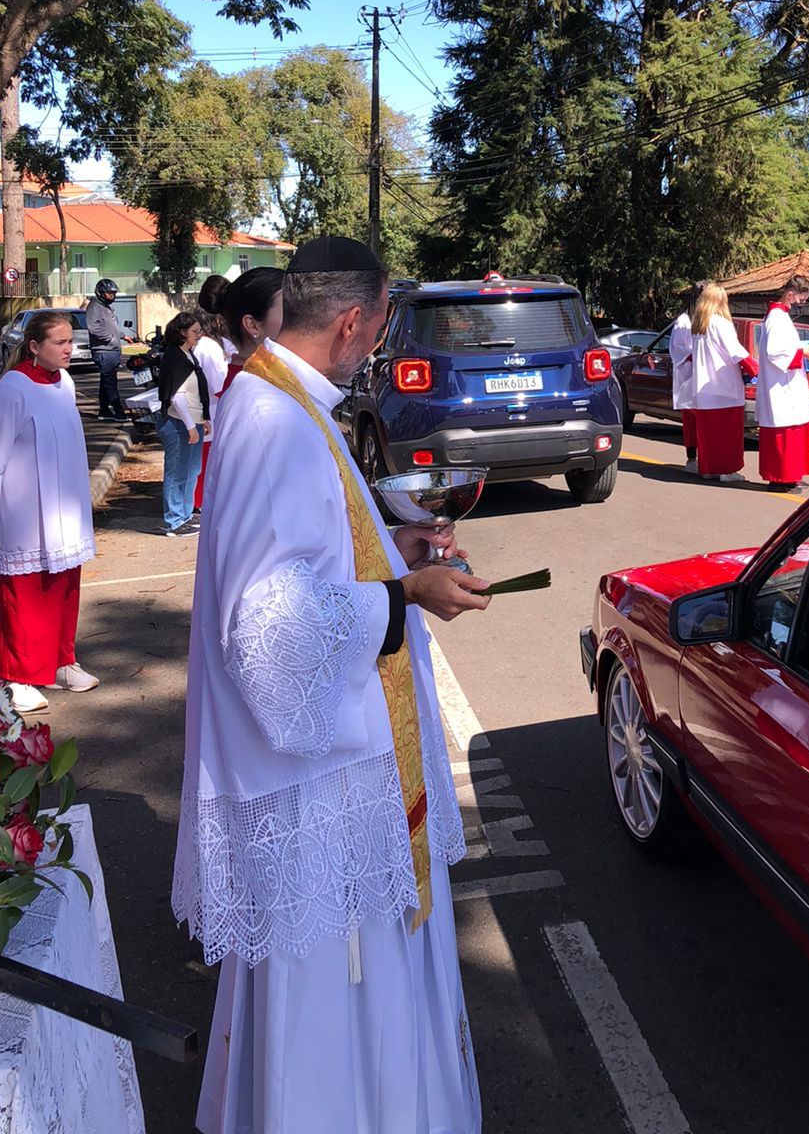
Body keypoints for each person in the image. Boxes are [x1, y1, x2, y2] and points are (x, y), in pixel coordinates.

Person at [172, 235, 491, 1134]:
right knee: (336, 997)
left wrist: (399, 553)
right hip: (324, 788)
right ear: (352, 321)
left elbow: (318, 554)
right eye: (383, 323)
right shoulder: (276, 421)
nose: (380, 341)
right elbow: (268, 629)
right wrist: (406, 599)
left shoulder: (284, 399)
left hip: (340, 769)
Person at [0, 310, 98, 715]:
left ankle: (60, 661)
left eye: (70, 341)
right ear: (35, 347)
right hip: (26, 509)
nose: (69, 349)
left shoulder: (66, 382)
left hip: (65, 506)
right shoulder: (13, 388)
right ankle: (18, 675)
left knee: (63, 586)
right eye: (59, 342)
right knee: (25, 594)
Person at [755, 274, 809, 492]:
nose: (801, 304)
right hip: (780, 388)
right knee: (784, 434)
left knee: (796, 432)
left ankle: (792, 474)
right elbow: (774, 352)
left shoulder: (780, 317)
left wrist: (802, 350)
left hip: (789, 386)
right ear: (790, 294)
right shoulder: (776, 317)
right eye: (801, 300)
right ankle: (780, 479)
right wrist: (802, 351)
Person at [689, 282, 757, 484]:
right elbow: (736, 352)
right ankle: (727, 470)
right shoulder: (721, 323)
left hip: (703, 389)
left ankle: (709, 468)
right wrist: (755, 369)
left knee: (708, 434)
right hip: (724, 387)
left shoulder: (698, 326)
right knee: (728, 434)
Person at [156, 312, 211, 537]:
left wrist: (203, 419)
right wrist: (190, 426)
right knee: (177, 471)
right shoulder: (174, 357)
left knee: (191, 470)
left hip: (192, 421)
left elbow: (193, 391)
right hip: (178, 423)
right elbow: (176, 396)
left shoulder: (187, 355)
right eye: (195, 332)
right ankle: (174, 520)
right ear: (182, 333)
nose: (199, 335)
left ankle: (185, 515)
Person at [191, 278, 234, 515]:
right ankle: (200, 502)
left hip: (201, 409)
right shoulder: (210, 348)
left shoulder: (200, 345)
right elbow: (219, 383)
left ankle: (197, 501)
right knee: (204, 463)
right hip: (211, 410)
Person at [670, 281, 704, 475]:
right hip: (688, 377)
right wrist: (701, 353)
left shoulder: (707, 319)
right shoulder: (684, 321)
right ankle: (692, 458)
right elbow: (680, 350)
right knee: (692, 422)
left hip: (704, 377)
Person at [86, 277, 126, 420]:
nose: (112, 296)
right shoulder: (95, 307)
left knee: (106, 381)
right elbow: (94, 328)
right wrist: (111, 338)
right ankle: (118, 411)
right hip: (104, 350)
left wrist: (122, 335)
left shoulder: (106, 308)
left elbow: (110, 327)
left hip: (112, 349)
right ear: (101, 293)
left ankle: (104, 410)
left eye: (113, 293)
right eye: (109, 293)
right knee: (110, 382)